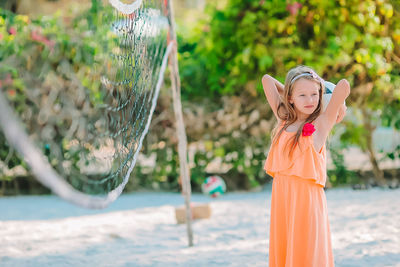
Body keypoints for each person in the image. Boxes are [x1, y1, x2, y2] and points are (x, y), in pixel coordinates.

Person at [262, 65, 350, 267]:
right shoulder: (283, 119)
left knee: (307, 247)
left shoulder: (321, 123)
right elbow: (267, 80)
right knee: (286, 246)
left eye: (314, 94)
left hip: (307, 200)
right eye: (302, 95)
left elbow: (343, 86)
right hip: (283, 197)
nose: (310, 100)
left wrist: (317, 81)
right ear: (290, 98)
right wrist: (292, 89)